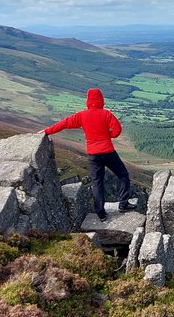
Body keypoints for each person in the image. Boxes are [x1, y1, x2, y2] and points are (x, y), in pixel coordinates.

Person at [39, 88, 133, 221]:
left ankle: (101, 213)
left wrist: (47, 131)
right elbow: (117, 129)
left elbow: (64, 124)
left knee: (97, 183)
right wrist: (108, 135)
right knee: (123, 174)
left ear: (88, 101)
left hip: (93, 155)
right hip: (108, 152)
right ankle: (123, 204)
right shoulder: (106, 114)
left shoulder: (82, 115)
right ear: (101, 100)